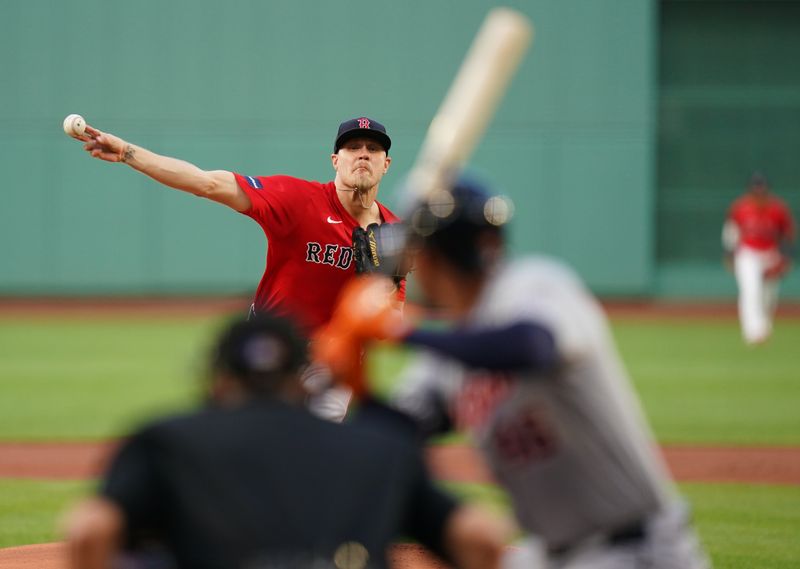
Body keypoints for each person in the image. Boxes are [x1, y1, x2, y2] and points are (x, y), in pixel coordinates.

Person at [315, 177, 711, 569]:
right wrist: (355, 379)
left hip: (635, 550)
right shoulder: (450, 354)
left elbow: (531, 345)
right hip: (549, 553)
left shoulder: (533, 286)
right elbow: (394, 435)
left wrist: (399, 330)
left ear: (433, 261)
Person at [63, 313, 507, 569]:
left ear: (218, 380)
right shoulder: (384, 447)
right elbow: (483, 538)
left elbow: (87, 531)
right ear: (303, 383)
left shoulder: (166, 440)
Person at [74, 116, 406, 421]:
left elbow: (391, 322)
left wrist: (382, 289)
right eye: (352, 147)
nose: (363, 154)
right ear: (335, 160)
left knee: (310, 461)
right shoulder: (297, 199)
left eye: (373, 149)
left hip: (333, 366)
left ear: (386, 164)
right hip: (271, 350)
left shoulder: (395, 235)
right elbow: (205, 183)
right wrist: (129, 153)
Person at [722, 172, 795, 345]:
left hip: (770, 254)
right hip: (747, 254)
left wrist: (786, 258)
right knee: (750, 291)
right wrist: (729, 254)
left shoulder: (778, 208)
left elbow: (788, 233)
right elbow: (731, 232)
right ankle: (753, 331)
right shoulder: (740, 207)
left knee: (768, 295)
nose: (759, 194)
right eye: (756, 190)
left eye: (762, 190)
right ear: (750, 191)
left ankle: (764, 327)